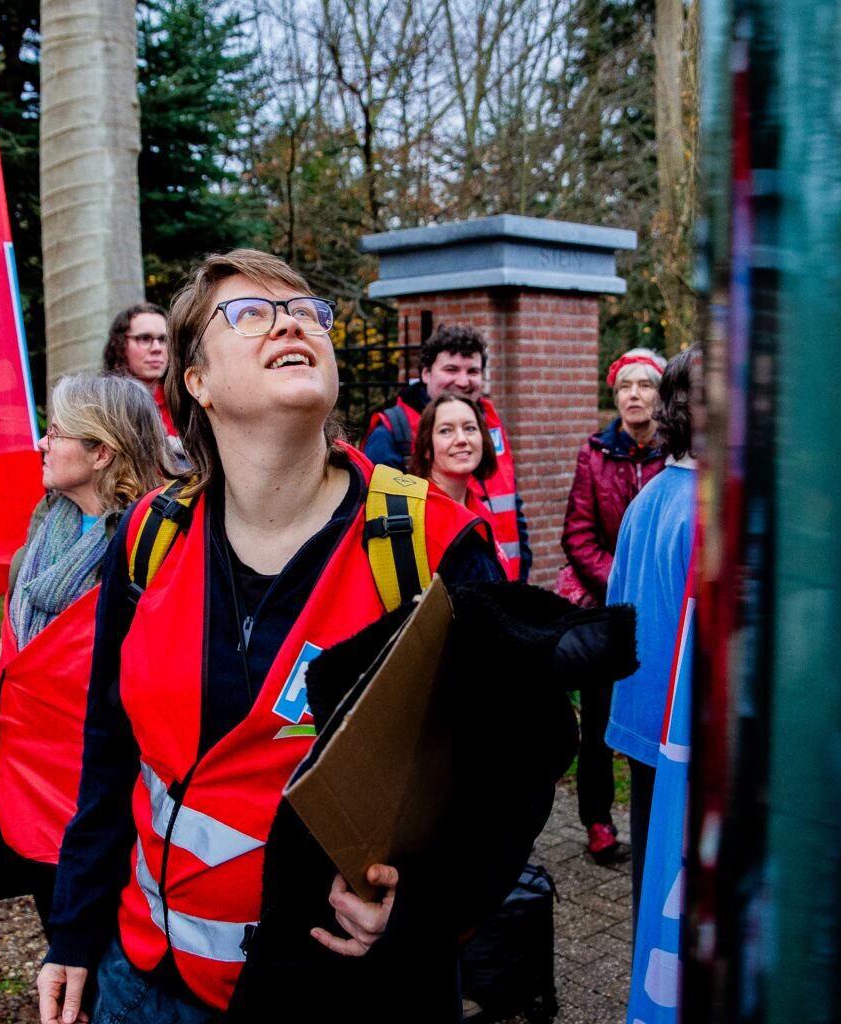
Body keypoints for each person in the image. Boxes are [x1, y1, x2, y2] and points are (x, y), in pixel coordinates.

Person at [36, 249, 504, 1024]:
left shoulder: (429, 544)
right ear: (198, 383)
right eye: (250, 313)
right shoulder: (150, 535)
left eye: (306, 310)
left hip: (334, 996)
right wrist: (75, 934)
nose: (292, 319)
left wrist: (422, 909)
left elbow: (497, 778)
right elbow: (109, 752)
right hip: (145, 982)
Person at [0, 373, 174, 929]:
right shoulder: (44, 531)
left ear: (101, 452)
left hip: (113, 806)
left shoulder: (158, 550)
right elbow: (16, 678)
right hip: (34, 795)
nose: (41, 443)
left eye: (56, 432)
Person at [559, 348, 668, 865]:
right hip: (608, 608)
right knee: (600, 716)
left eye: (645, 385)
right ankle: (597, 821)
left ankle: (665, 813)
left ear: (661, 395)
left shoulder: (676, 452)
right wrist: (622, 587)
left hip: (664, 607)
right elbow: (578, 535)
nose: (634, 396)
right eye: (625, 386)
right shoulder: (595, 452)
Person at [604, 348, 700, 915]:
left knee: (651, 870)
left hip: (641, 715)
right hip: (683, 729)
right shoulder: (708, 512)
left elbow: (618, 603)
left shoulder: (646, 499)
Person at [363, 324, 531, 581]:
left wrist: (522, 573)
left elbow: (511, 503)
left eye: (472, 371)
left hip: (502, 579)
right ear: (426, 373)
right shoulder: (391, 433)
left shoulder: (490, 422)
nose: (463, 381)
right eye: (451, 369)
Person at [406, 392, 520, 579]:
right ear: (427, 447)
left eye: (469, 428)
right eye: (446, 431)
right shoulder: (418, 513)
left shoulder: (478, 508)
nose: (461, 439)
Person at [102, 302, 176, 437]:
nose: (157, 348)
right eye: (144, 338)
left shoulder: (187, 403)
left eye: (163, 339)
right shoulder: (101, 406)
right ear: (120, 344)